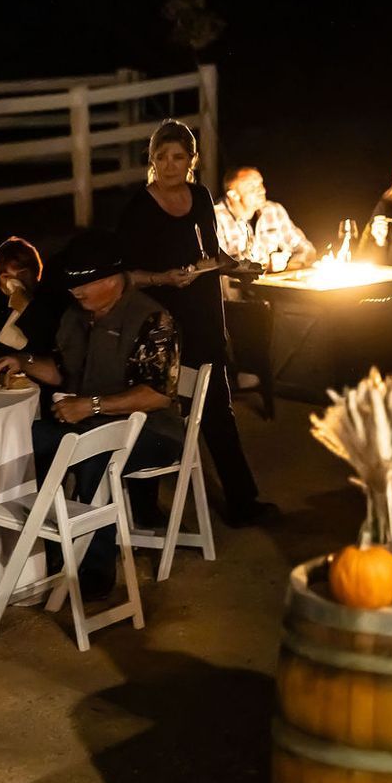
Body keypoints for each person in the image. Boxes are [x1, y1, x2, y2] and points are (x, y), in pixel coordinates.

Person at [0, 232, 184, 600]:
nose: (75, 292)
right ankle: (39, 550)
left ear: (111, 281)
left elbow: (157, 394)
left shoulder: (151, 317)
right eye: (72, 285)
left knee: (93, 455)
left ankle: (95, 567)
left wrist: (91, 405)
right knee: (25, 443)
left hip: (153, 430)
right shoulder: (77, 316)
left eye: (83, 285)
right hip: (89, 422)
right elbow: (63, 371)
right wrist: (24, 361)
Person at [115, 119, 274, 526]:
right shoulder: (139, 207)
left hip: (204, 316)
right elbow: (126, 275)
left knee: (218, 409)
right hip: (161, 321)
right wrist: (164, 277)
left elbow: (210, 251)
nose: (171, 166)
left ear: (192, 160)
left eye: (179, 157)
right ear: (152, 161)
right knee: (157, 410)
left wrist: (235, 266)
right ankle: (144, 510)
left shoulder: (201, 196)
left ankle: (243, 501)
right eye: (162, 158)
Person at [0, 237, 67, 369]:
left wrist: (26, 306)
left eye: (22, 274)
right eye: (6, 277)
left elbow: (48, 346)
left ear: (35, 273)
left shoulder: (52, 303)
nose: (15, 281)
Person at [213, 168, 316, 270]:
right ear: (233, 194)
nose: (262, 190)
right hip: (236, 286)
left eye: (261, 184)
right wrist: (265, 265)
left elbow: (307, 250)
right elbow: (217, 266)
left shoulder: (273, 211)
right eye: (252, 187)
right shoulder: (215, 218)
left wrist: (288, 264)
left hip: (271, 285)